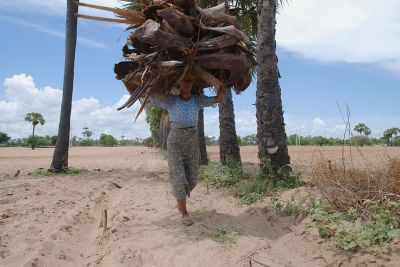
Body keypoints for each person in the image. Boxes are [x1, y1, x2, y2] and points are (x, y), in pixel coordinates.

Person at [149, 89, 225, 226]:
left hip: (192, 141)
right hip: (175, 142)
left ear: (192, 85)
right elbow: (151, 97)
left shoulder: (197, 100)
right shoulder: (171, 100)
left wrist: (222, 84)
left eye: (189, 83)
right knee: (178, 177)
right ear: (179, 85)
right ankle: (184, 212)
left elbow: (218, 99)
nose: (186, 85)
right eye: (183, 82)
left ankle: (180, 198)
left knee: (193, 177)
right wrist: (147, 89)